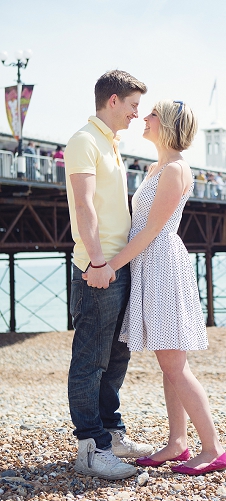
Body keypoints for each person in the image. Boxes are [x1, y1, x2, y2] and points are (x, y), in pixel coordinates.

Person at [106, 99, 226, 475]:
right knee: (170, 363)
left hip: (161, 265)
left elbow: (150, 232)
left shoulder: (174, 169)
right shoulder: (160, 166)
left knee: (174, 363)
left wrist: (111, 265)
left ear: (169, 124)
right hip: (154, 264)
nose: (145, 117)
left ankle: (212, 449)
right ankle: (178, 442)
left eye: (153, 114)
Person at [64, 70, 152, 480]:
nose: (137, 114)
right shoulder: (84, 140)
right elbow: (85, 206)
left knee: (117, 355)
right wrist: (97, 261)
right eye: (133, 105)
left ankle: (111, 433)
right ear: (112, 100)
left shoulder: (109, 143)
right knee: (91, 360)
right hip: (99, 268)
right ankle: (90, 448)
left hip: (119, 265)